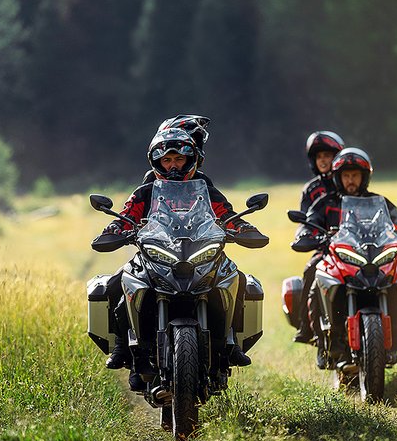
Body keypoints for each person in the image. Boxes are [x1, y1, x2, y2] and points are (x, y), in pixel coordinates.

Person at [92, 123, 267, 389]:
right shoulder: (145, 191)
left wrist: (243, 227)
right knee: (118, 282)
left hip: (200, 251)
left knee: (237, 279)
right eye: (167, 160)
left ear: (191, 159)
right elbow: (127, 216)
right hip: (156, 253)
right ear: (157, 162)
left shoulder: (206, 188)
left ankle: (230, 344)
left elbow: (226, 214)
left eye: (178, 159)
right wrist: (115, 228)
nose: (173, 165)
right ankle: (122, 347)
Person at [291, 147, 397, 366]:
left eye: (355, 175)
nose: (350, 180)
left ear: (364, 177)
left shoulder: (378, 201)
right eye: (346, 175)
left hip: (371, 253)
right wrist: (306, 234)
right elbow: (309, 223)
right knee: (314, 271)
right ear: (338, 177)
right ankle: (318, 337)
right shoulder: (326, 202)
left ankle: (396, 331)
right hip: (334, 255)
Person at [292, 131, 345, 342]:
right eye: (319, 156)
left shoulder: (350, 182)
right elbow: (306, 220)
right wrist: (309, 235)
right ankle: (306, 327)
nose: (323, 160)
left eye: (327, 156)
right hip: (325, 248)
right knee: (311, 271)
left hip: (354, 245)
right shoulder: (311, 190)